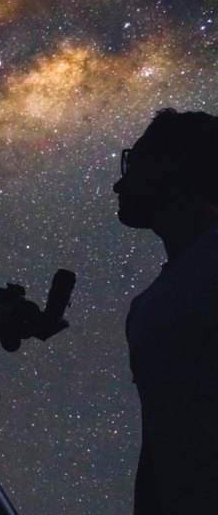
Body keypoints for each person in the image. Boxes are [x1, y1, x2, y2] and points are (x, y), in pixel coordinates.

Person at [113, 107, 218, 514]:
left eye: (132, 163)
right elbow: (158, 446)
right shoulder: (148, 307)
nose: (118, 184)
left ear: (169, 164)